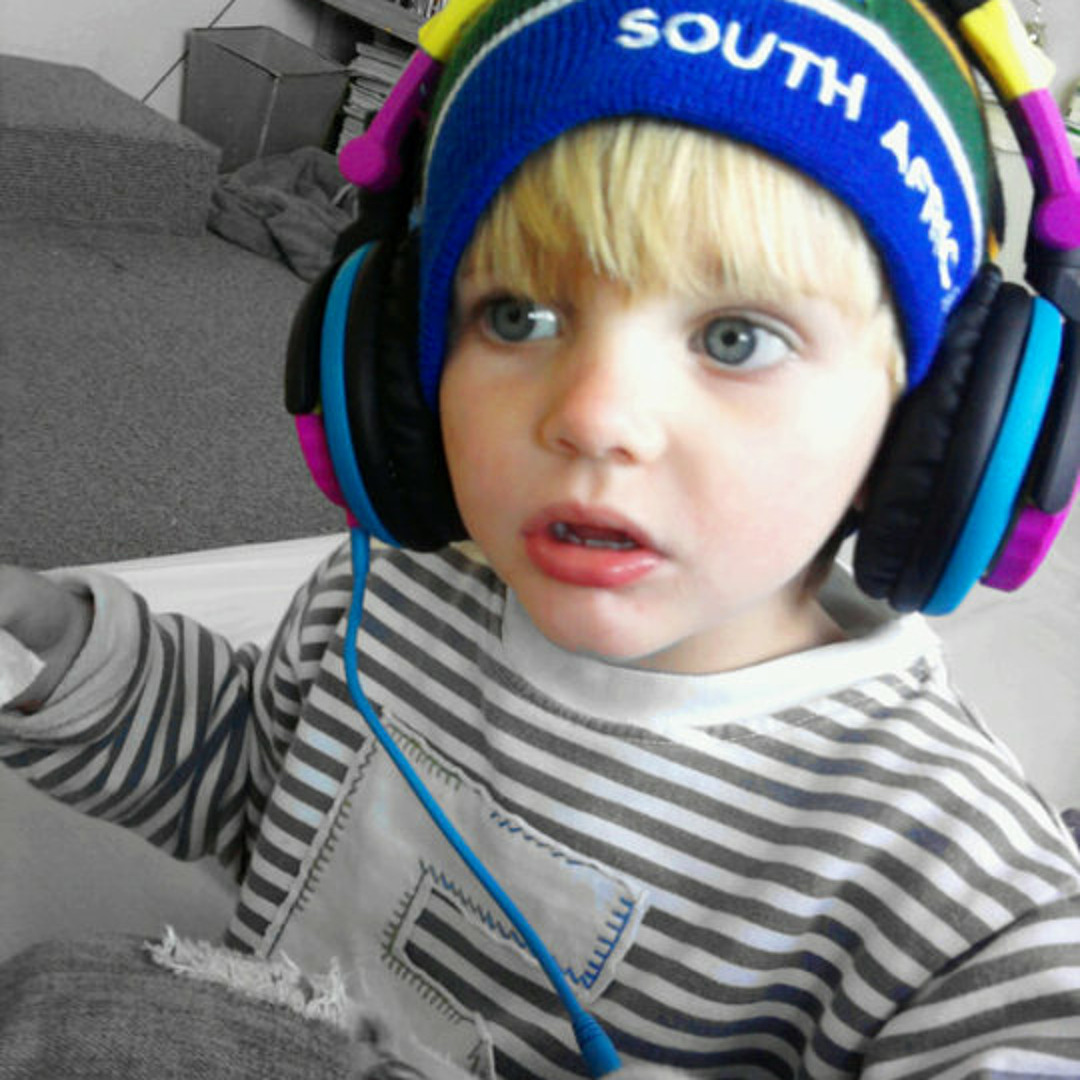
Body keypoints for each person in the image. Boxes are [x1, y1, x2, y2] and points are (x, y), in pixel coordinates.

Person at [3, 0, 1080, 1076]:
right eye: (518, 317)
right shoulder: (388, 599)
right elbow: (257, 785)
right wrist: (63, 654)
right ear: (400, 367)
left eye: (735, 337)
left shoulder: (951, 883)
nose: (594, 415)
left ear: (928, 427)